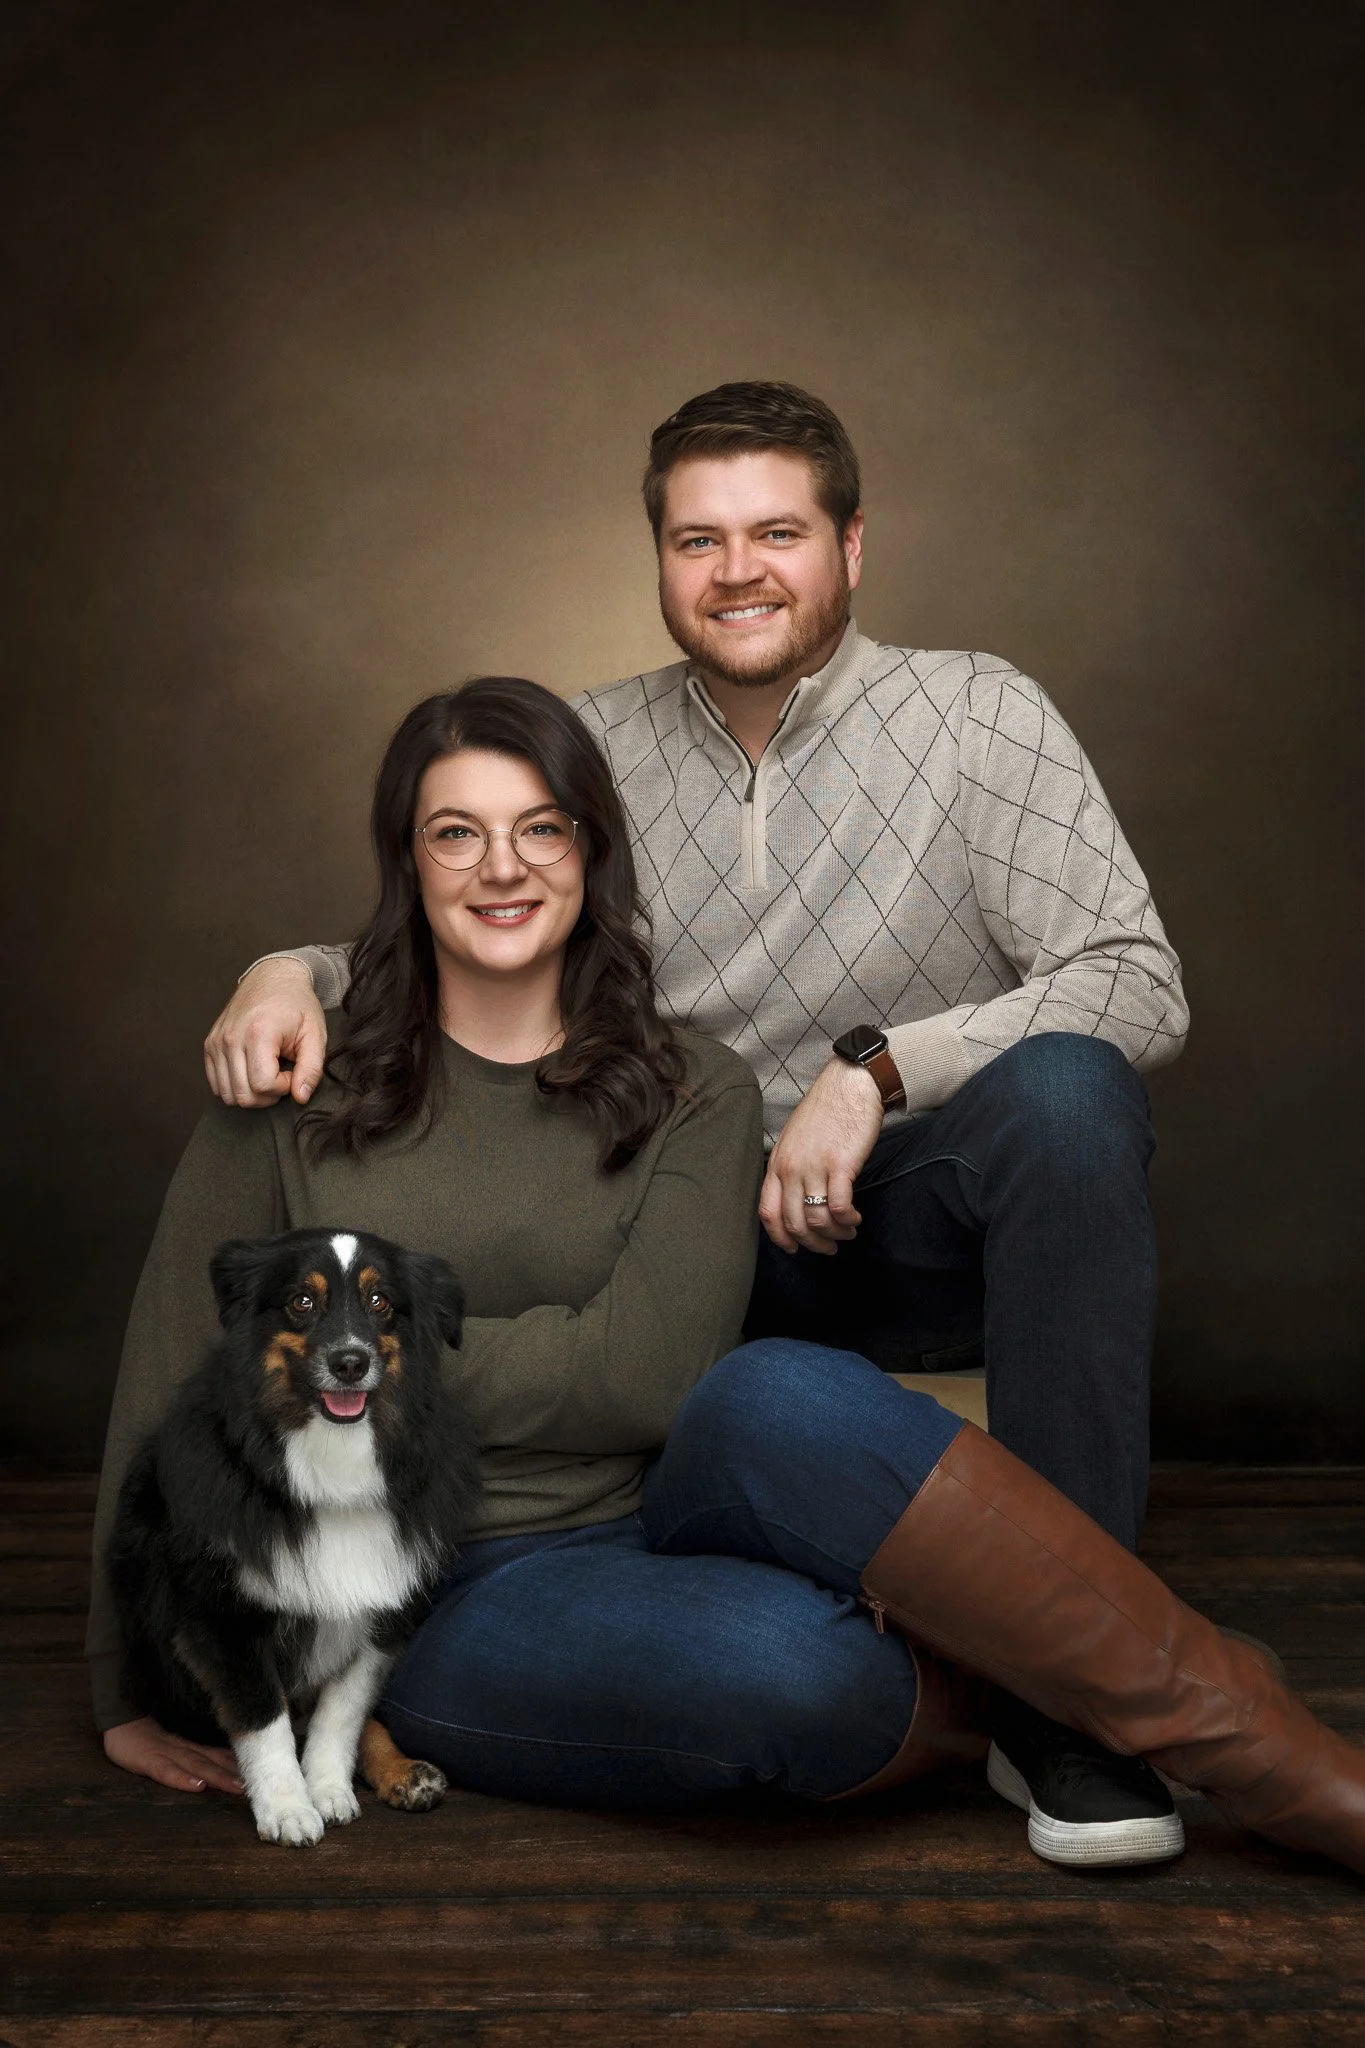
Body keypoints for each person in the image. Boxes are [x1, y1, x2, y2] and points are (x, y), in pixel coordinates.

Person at [91, 676, 1365, 1876]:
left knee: (772, 1394)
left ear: (590, 851)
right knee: (813, 1685)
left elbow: (649, 1374)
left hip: (663, 1504)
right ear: (406, 859)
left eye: (540, 828)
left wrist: (343, 1367)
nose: (501, 868)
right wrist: (124, 1685)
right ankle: (1052, 1665)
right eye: (455, 834)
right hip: (429, 1588)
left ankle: (1275, 1762)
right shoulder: (288, 1087)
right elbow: (168, 1381)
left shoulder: (690, 1082)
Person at [203, 382, 1191, 1852]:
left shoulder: (981, 715)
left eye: (778, 532)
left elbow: (1136, 980)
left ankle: (1075, 1709)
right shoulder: (592, 751)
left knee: (1069, 1089)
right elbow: (467, 915)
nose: (738, 571)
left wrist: (872, 1075)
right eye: (697, 540)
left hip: (907, 1222)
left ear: (853, 547)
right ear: (658, 560)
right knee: (750, 1538)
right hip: (687, 1251)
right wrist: (287, 966)